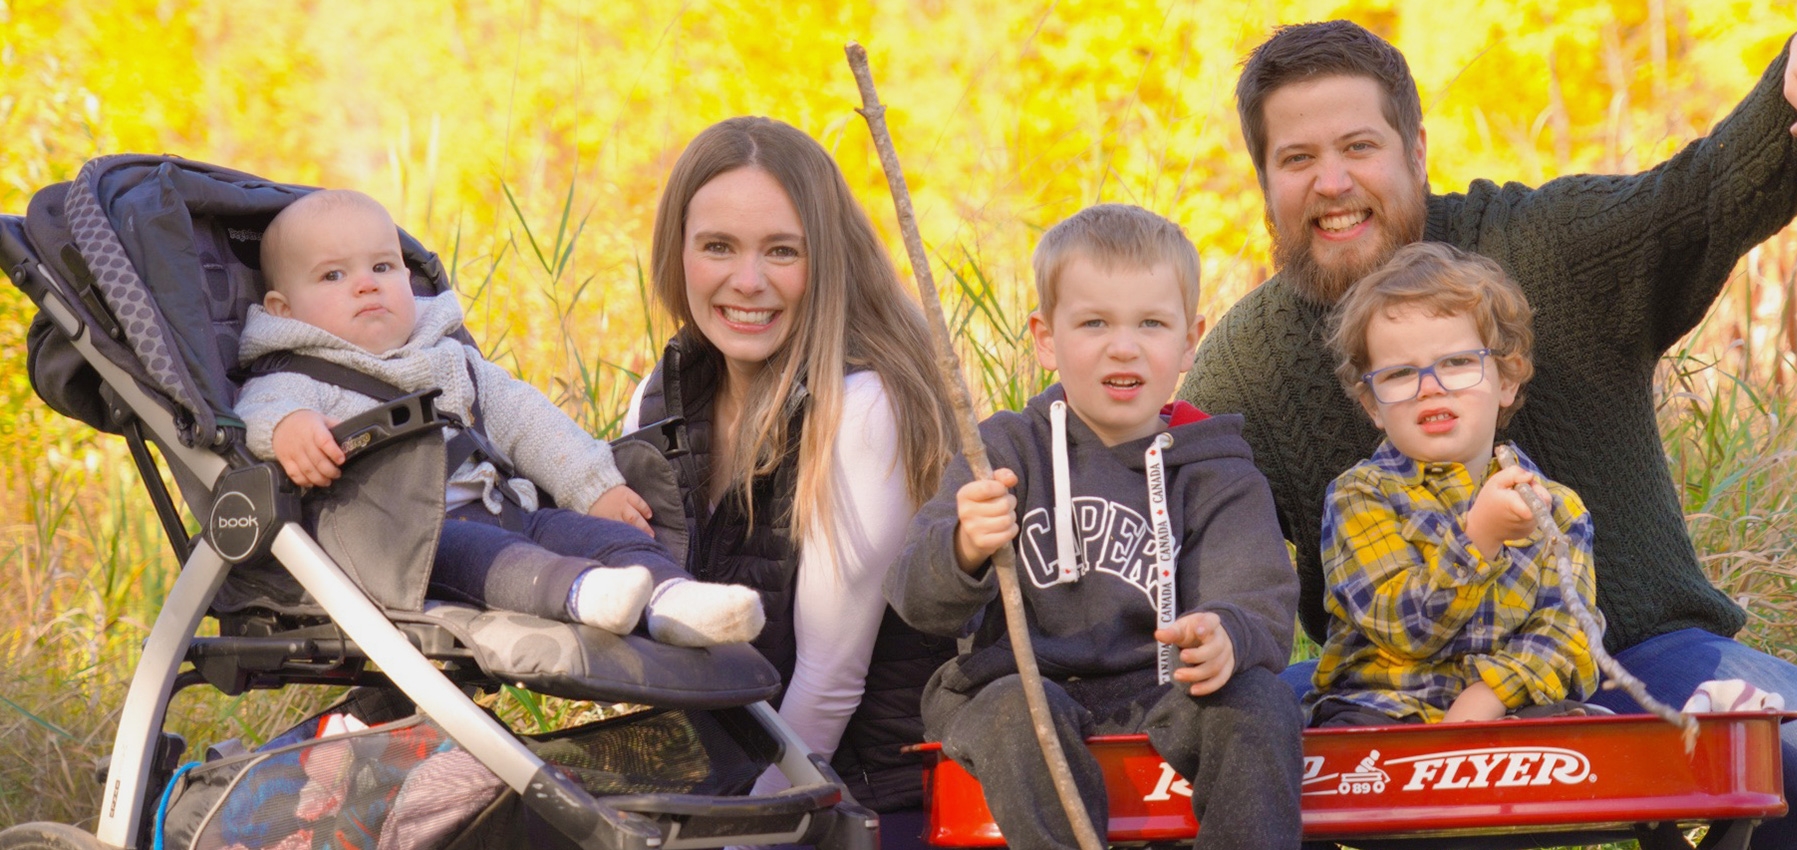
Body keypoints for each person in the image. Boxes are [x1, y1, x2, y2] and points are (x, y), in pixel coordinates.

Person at [1178, 19, 1797, 849]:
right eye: (1297, 159)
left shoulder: (1545, 248)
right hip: (1381, 693)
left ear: (1415, 150)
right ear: (1265, 179)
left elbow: (1704, 195)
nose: (1332, 183)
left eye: (1359, 146)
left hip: (1623, 662)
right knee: (1179, 751)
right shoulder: (1248, 361)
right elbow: (1169, 514)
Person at [889, 204, 1303, 849]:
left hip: (1166, 688)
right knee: (1017, 712)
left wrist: (1225, 633)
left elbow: (1261, 595)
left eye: (1151, 323)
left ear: (1190, 339)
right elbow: (915, 597)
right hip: (1024, 685)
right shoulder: (1003, 451)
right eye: (1094, 322)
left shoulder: (1216, 468)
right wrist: (965, 545)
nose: (1124, 345)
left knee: (1257, 702)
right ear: (1046, 338)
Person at [618, 116, 960, 848]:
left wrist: (732, 836)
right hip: (720, 780)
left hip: (862, 798)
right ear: (678, 254)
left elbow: (829, 685)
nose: (749, 281)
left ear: (827, 259)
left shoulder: (865, 407)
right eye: (718, 247)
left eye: (782, 251)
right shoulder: (665, 393)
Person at [236, 189, 762, 646]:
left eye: (382, 266)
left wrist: (593, 487)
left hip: (508, 506)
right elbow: (258, 409)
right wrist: (289, 429)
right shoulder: (298, 375)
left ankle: (676, 599)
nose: (366, 284)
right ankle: (586, 594)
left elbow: (530, 423)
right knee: (500, 557)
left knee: (592, 533)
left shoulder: (453, 361)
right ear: (284, 310)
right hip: (412, 544)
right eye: (333, 275)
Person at [1309, 242, 1598, 728]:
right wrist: (1479, 539)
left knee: (1585, 729)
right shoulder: (1360, 496)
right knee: (1345, 738)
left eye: (1458, 363)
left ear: (1506, 380)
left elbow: (1568, 633)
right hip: (1383, 709)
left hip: (1507, 710)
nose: (1430, 386)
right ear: (1373, 406)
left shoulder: (1556, 508)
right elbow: (1401, 626)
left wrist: (1491, 695)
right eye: (1400, 373)